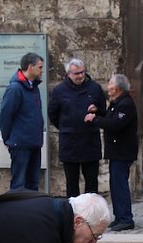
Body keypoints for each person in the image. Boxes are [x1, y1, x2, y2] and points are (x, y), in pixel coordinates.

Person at [84, 73, 138, 231]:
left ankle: (126, 218)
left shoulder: (126, 104)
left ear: (118, 88)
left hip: (123, 152)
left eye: (110, 84)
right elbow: (110, 117)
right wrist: (99, 112)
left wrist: (94, 119)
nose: (108, 87)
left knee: (120, 185)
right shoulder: (116, 103)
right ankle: (120, 216)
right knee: (115, 185)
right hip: (116, 152)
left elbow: (115, 124)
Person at [48, 58, 106, 198]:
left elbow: (104, 113)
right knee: (72, 184)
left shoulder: (95, 88)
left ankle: (92, 215)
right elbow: (53, 114)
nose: (80, 76)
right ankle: (72, 215)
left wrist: (96, 110)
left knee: (92, 183)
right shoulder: (59, 90)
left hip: (90, 141)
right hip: (70, 143)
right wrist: (66, 127)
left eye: (82, 72)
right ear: (69, 74)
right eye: (76, 73)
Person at [0, 52, 45, 191]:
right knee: (19, 184)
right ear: (30, 67)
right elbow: (5, 116)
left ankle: (31, 212)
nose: (42, 70)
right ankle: (17, 212)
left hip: (34, 143)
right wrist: (7, 138)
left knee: (33, 183)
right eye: (40, 67)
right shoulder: (15, 89)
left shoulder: (33, 87)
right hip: (21, 144)